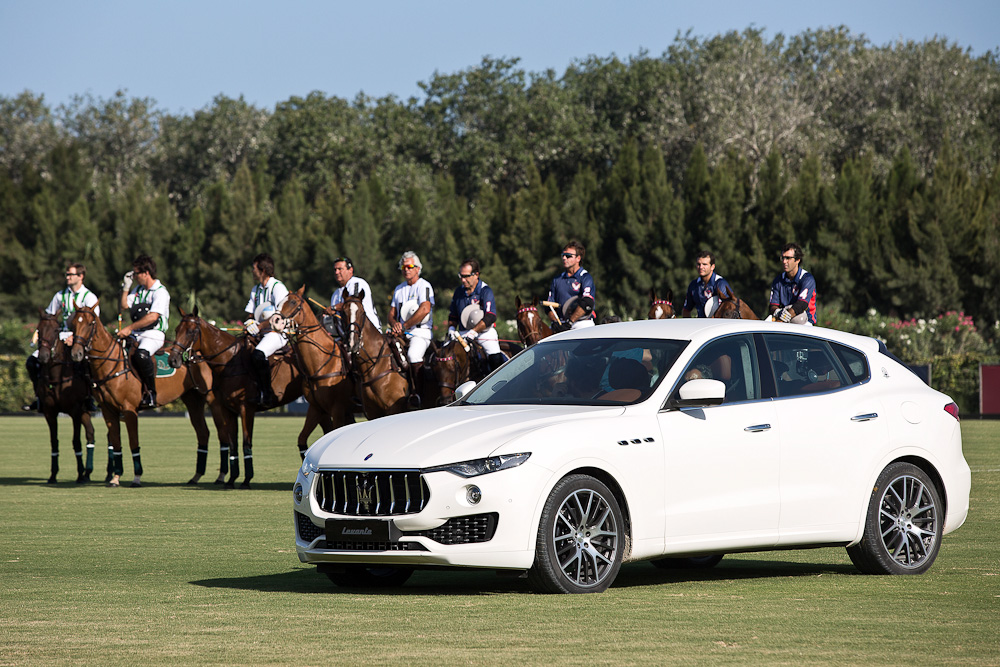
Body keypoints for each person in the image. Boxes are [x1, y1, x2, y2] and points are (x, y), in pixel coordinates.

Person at [23, 263, 100, 412]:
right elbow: (49, 317)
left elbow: (94, 323)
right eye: (67, 274)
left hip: (80, 339)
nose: (68, 277)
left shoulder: (89, 297)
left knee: (86, 364)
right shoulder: (60, 295)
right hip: (58, 338)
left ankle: (89, 398)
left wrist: (74, 337)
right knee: (32, 362)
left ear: (81, 276)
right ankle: (40, 397)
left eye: (71, 274)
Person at [118, 254, 169, 409]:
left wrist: (129, 328)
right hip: (137, 333)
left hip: (154, 334)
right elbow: (125, 305)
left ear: (146, 273)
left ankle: (151, 393)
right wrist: (126, 287)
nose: (134, 276)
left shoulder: (160, 292)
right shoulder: (138, 289)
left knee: (141, 353)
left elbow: (153, 317)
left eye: (136, 274)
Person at [243, 252, 289, 407]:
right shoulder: (255, 290)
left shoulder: (278, 287)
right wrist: (249, 322)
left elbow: (279, 315)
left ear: (262, 270)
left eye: (254, 268)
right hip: (261, 332)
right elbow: (250, 313)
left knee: (258, 354)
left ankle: (266, 393)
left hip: (278, 333)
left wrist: (259, 326)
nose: (252, 271)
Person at [447, 258, 506, 372]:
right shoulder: (458, 291)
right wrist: (451, 328)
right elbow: (453, 315)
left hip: (484, 332)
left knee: (494, 355)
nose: (463, 280)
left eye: (466, 276)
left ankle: (499, 383)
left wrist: (474, 331)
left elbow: (490, 316)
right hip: (463, 333)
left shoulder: (485, 290)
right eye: (461, 276)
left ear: (476, 275)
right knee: (445, 355)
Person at [388, 251, 435, 368]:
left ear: (418, 268)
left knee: (413, 355)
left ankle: (418, 386)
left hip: (420, 333)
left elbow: (425, 309)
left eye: (409, 267)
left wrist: (404, 326)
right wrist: (395, 325)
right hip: (400, 333)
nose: (406, 270)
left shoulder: (424, 285)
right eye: (403, 267)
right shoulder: (398, 289)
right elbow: (391, 313)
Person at [547, 241, 596, 332]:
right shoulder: (557, 279)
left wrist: (570, 322)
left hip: (581, 323)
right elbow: (549, 305)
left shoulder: (585, 277)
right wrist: (554, 322)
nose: (564, 258)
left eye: (568, 256)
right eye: (563, 255)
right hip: (561, 324)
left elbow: (587, 303)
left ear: (578, 258)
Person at [769, 243, 817, 325]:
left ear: (797, 260)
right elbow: (773, 305)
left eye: (788, 258)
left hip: (805, 322)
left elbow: (801, 305)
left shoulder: (807, 279)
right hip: (783, 322)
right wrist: (778, 312)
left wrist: (782, 319)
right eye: (783, 258)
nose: (784, 261)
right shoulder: (778, 280)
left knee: (799, 318)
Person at [330, 256, 381, 331]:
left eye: (340, 269)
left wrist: (333, 308)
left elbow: (353, 305)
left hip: (368, 333)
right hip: (349, 336)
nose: (336, 272)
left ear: (350, 270)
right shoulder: (335, 294)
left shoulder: (357, 283)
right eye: (335, 270)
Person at [681, 251, 732, 318]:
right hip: (701, 325)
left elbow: (730, 308)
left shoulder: (720, 283)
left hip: (718, 326)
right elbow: (686, 310)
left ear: (712, 267)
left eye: (704, 264)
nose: (701, 267)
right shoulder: (693, 285)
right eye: (698, 264)